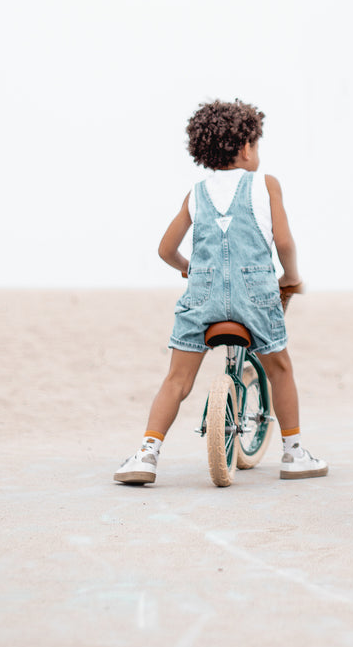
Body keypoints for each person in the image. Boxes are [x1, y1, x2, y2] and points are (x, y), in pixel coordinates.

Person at [114, 99, 328, 485]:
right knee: (280, 368)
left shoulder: (197, 192)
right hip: (256, 296)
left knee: (176, 381)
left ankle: (146, 453)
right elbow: (285, 244)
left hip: (202, 297)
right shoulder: (266, 185)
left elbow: (165, 249)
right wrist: (289, 278)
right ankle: (294, 453)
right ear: (246, 148)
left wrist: (189, 269)